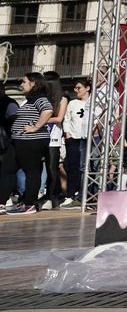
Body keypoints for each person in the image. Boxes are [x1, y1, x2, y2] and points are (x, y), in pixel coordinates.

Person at [7, 74, 54, 214]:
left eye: (24, 81)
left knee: (32, 172)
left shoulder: (40, 98)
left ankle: (30, 204)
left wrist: (35, 127)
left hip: (32, 141)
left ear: (33, 83)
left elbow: (48, 110)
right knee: (9, 169)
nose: (21, 84)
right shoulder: (30, 100)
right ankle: (18, 202)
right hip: (21, 141)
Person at [62, 79, 93, 206]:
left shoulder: (93, 102)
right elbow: (66, 119)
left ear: (87, 88)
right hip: (73, 138)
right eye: (75, 88)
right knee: (72, 167)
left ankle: (84, 194)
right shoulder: (72, 103)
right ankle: (70, 194)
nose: (76, 90)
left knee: (86, 167)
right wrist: (67, 132)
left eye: (78, 88)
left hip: (88, 139)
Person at [41, 71, 69, 208]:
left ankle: (51, 196)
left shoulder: (62, 99)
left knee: (52, 167)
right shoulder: (42, 97)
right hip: (39, 135)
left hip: (54, 137)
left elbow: (59, 118)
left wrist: (42, 120)